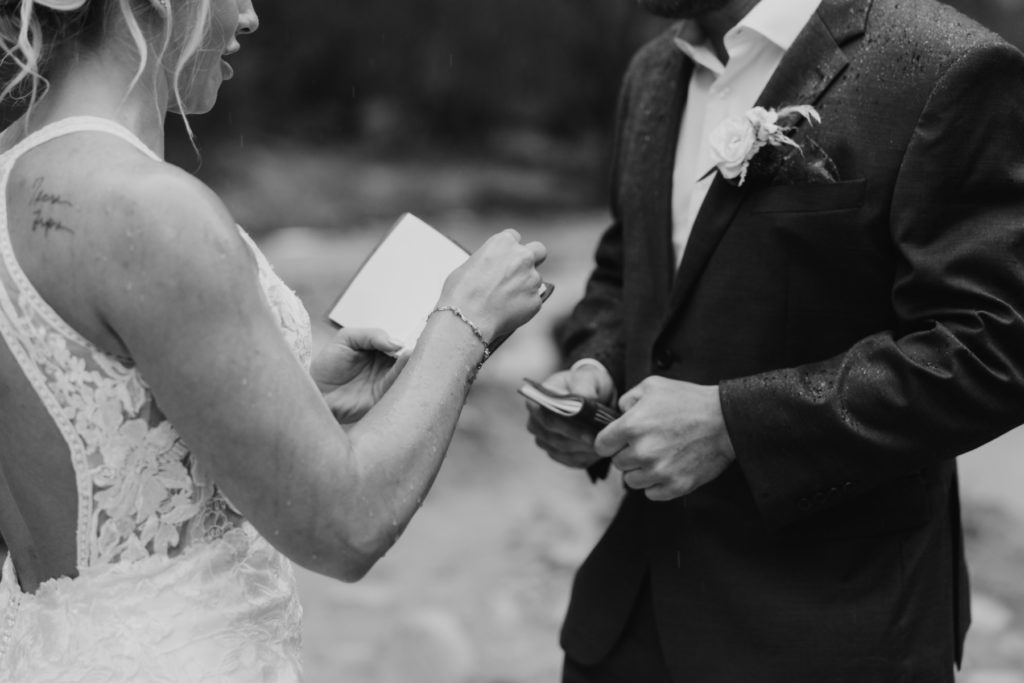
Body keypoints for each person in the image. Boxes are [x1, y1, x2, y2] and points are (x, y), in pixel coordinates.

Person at [0, 0, 548, 680]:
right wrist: (464, 321)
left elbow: (83, 422)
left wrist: (292, 391)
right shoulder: (148, 208)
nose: (252, 18)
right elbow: (347, 524)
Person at [526, 0, 1024, 680]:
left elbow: (993, 347)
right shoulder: (650, 73)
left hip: (831, 630)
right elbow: (623, 272)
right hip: (628, 624)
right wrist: (595, 366)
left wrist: (734, 423)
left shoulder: (946, 66)